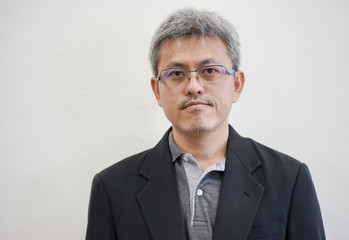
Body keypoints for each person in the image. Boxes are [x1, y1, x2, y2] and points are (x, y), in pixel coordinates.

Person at [86, 8, 325, 240]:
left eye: (209, 70)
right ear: (157, 91)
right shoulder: (112, 188)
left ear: (237, 85)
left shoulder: (290, 179)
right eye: (177, 74)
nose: (194, 86)